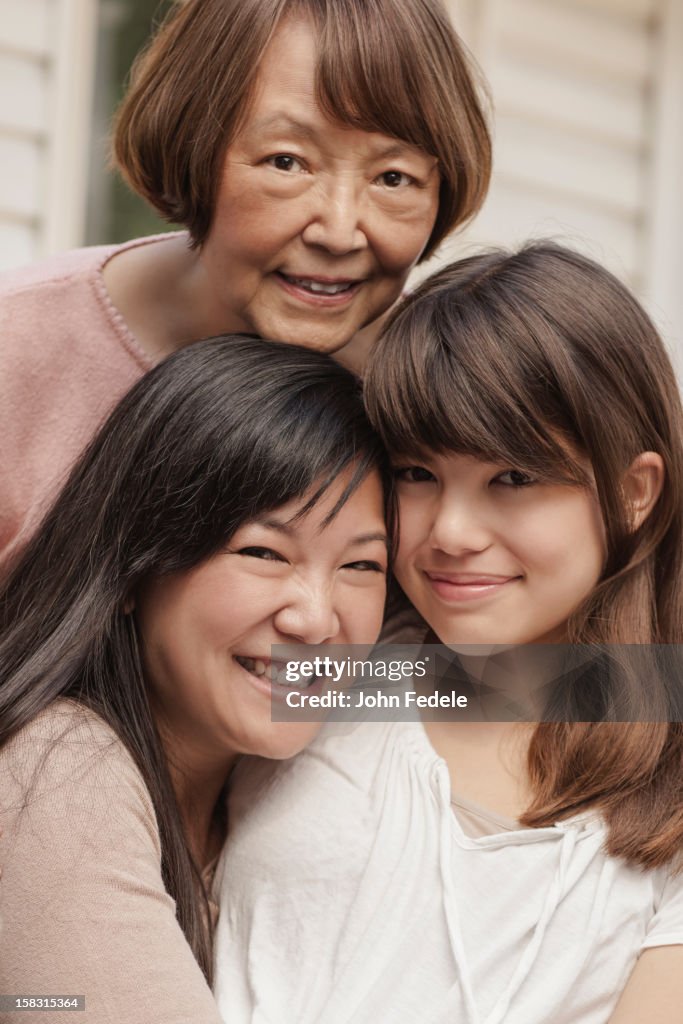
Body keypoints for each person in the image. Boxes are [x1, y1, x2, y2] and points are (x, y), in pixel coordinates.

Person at [212, 244, 683, 1024]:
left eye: (514, 478)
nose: (451, 533)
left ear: (632, 491)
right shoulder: (321, 657)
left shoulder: (667, 774)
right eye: (414, 473)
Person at [0, 0, 490, 572]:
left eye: (393, 177)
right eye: (286, 162)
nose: (338, 231)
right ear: (194, 153)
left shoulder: (451, 391)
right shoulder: (19, 346)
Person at [0, 336, 393, 1024]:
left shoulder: (270, 790)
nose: (314, 617)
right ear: (132, 569)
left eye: (361, 566)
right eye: (263, 552)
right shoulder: (56, 769)